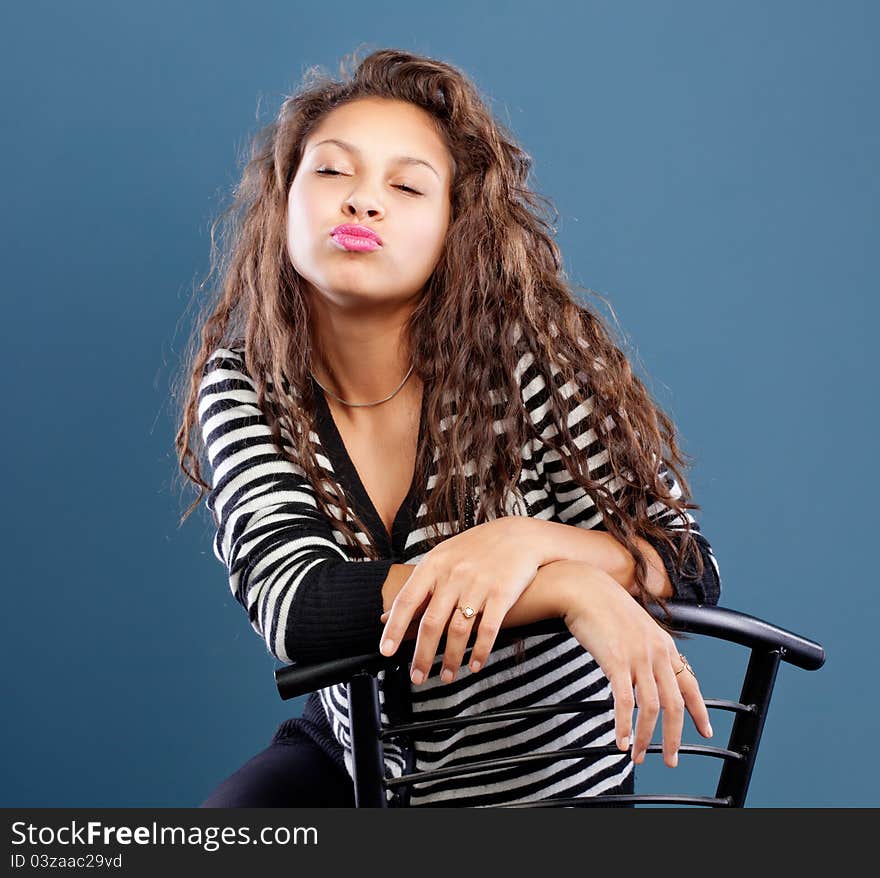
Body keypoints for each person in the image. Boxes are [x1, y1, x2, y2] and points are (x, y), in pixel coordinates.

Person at [175, 47, 722, 808]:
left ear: (453, 230)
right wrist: (564, 587)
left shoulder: (533, 357)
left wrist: (529, 543)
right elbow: (303, 607)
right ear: (284, 200)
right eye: (332, 172)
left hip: (544, 782)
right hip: (359, 761)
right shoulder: (244, 384)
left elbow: (685, 562)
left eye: (406, 187)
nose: (363, 203)